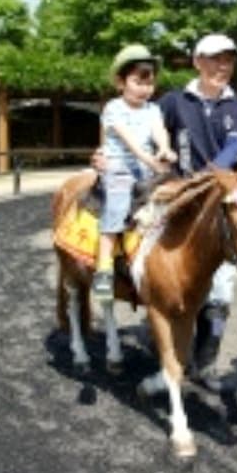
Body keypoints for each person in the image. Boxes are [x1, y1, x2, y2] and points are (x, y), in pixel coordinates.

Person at [96, 33, 237, 392]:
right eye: (215, 59)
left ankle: (205, 364)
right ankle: (146, 319)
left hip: (219, 208)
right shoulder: (171, 102)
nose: (222, 66)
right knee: (161, 268)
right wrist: (104, 155)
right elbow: (143, 133)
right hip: (175, 202)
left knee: (221, 291)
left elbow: (234, 151)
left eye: (229, 60)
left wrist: (202, 182)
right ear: (198, 61)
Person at [92, 44, 175, 302]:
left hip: (146, 168)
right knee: (117, 203)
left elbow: (159, 130)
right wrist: (150, 159)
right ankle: (104, 268)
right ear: (121, 82)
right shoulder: (113, 108)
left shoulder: (153, 109)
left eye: (149, 83)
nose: (145, 89)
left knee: (172, 199)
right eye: (138, 82)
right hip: (119, 167)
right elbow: (130, 142)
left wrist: (164, 148)